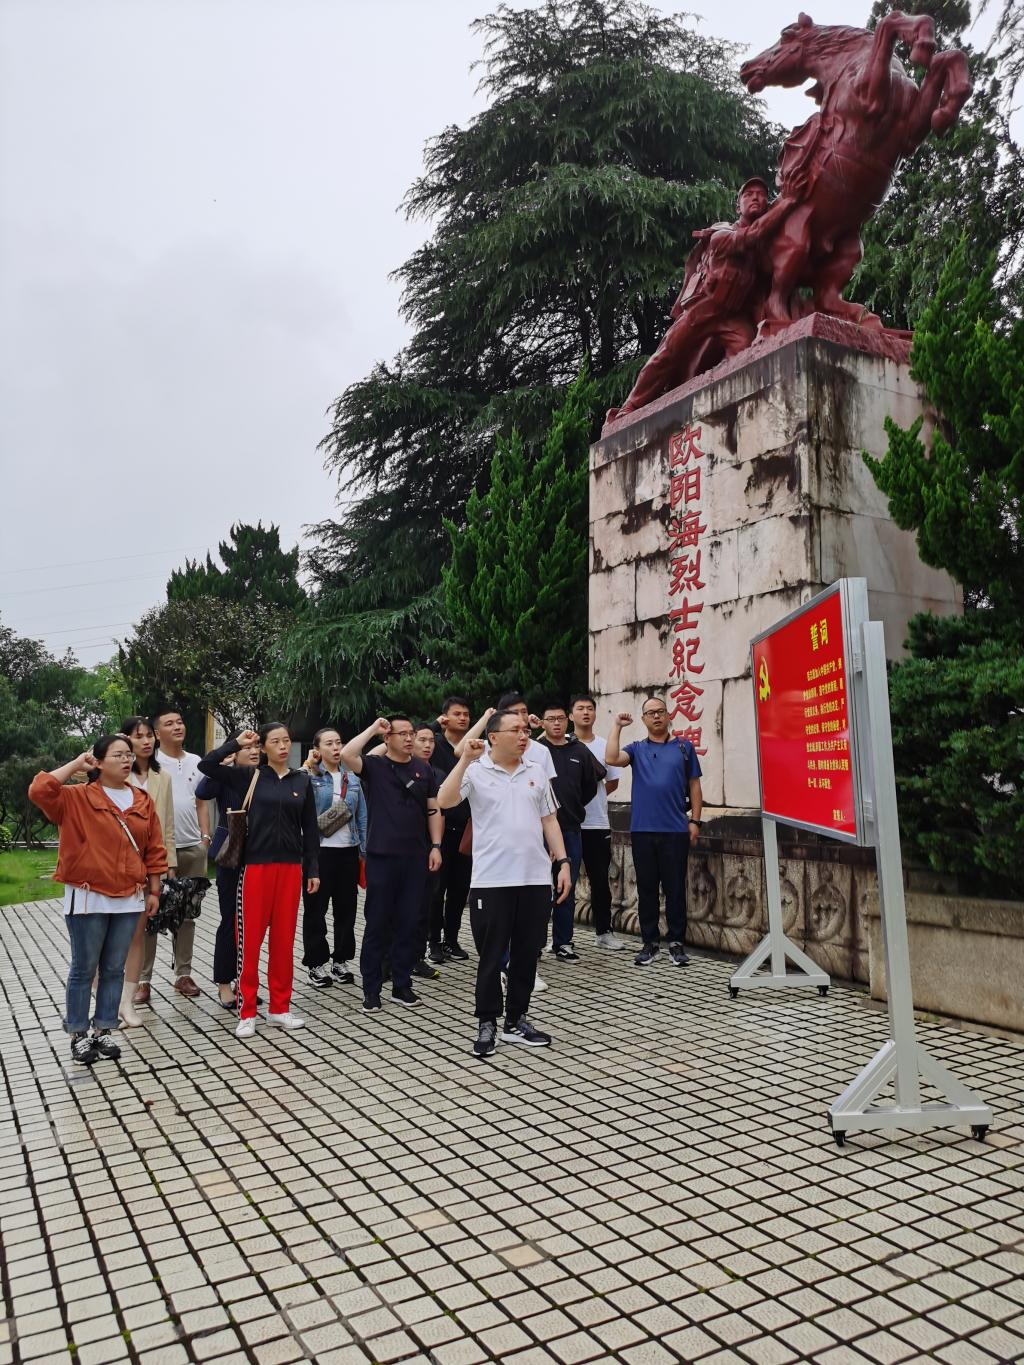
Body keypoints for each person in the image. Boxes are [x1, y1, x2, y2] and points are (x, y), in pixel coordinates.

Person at [439, 711, 571, 1059]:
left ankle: (516, 1020)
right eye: (516, 730)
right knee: (491, 955)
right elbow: (445, 801)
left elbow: (550, 821)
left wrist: (563, 862)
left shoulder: (536, 771)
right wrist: (464, 759)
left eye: (525, 730)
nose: (524, 735)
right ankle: (487, 1022)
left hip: (535, 879)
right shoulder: (476, 771)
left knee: (527, 954)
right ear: (494, 737)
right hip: (492, 881)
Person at [28, 737, 166, 1067]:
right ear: (99, 762)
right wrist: (77, 764)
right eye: (118, 755)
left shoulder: (142, 800)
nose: (127, 760)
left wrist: (155, 891)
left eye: (129, 755)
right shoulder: (76, 797)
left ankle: (104, 1028)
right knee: (84, 967)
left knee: (114, 968)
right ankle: (78, 1034)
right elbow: (39, 790)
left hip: (129, 897)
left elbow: (154, 850)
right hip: (88, 896)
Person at [198, 723, 319, 1037]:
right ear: (263, 747)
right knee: (249, 941)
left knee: (283, 941)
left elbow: (310, 829)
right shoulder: (248, 776)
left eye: (287, 740)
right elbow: (207, 766)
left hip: (290, 868)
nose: (283, 746)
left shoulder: (301, 780)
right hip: (255, 867)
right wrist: (235, 744)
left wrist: (313, 869)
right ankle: (247, 1010)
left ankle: (280, 1008)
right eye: (275, 741)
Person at [341, 716, 442, 1013]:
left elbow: (433, 809)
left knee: (409, 923)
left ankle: (402, 984)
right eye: (402, 734)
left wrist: (436, 846)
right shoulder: (375, 766)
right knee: (378, 924)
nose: (409, 739)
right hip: (382, 856)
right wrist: (374, 728)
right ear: (388, 739)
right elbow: (347, 754)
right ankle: (371, 989)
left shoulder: (424, 769)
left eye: (412, 733)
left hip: (416, 856)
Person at [605, 697, 704, 967]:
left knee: (675, 889)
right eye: (650, 713)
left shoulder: (684, 747)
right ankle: (650, 943)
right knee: (647, 889)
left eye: (660, 711)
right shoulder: (637, 749)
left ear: (669, 715)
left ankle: (676, 942)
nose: (656, 716)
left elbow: (694, 786)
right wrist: (617, 726)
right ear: (644, 719)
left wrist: (695, 821)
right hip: (643, 830)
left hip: (675, 830)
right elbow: (611, 758)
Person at [136, 706, 211, 1004]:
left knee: (187, 913)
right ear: (156, 733)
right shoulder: (150, 762)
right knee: (150, 913)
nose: (178, 726)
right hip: (156, 851)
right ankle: (143, 979)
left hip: (193, 847)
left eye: (180, 721)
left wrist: (205, 837)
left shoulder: (195, 761)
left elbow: (201, 801)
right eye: (169, 723)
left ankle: (183, 974)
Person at [195, 730, 262, 1009]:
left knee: (253, 923)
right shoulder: (225, 775)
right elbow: (202, 791)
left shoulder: (265, 776)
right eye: (248, 747)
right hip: (231, 856)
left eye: (258, 746)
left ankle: (245, 983)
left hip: (259, 855)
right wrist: (227, 753)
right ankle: (224, 983)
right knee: (230, 920)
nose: (254, 751)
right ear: (235, 752)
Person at [118, 716, 177, 1026]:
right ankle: (112, 996)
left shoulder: (161, 776)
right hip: (116, 865)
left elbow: (166, 824)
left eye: (148, 736)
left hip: (149, 864)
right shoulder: (114, 774)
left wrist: (169, 865)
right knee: (115, 935)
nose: (145, 741)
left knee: (141, 932)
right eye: (137, 736)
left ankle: (132, 993)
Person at [536, 701, 606, 961]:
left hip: (570, 829)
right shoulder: (536, 750)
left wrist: (574, 805)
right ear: (543, 722)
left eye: (560, 719)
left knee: (567, 886)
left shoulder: (580, 751)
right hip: (538, 831)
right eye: (550, 719)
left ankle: (563, 942)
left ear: (567, 720)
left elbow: (590, 787)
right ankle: (535, 942)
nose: (556, 723)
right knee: (538, 888)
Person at [301, 726, 367, 989]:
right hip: (318, 853)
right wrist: (309, 765)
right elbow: (296, 798)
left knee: (346, 910)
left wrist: (364, 852)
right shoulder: (309, 777)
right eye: (328, 743)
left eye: (338, 742)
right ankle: (316, 963)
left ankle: (341, 960)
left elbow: (362, 817)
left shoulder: (353, 779)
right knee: (315, 910)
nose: (336, 747)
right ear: (317, 749)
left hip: (348, 852)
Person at [569, 694, 624, 950]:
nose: (585, 713)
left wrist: (591, 798)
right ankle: (560, 937)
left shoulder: (604, 745)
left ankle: (604, 932)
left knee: (600, 880)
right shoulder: (561, 744)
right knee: (562, 880)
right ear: (571, 715)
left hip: (597, 823)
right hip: (566, 825)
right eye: (580, 708)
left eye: (590, 708)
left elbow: (612, 782)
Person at [427, 696, 474, 963]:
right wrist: (435, 724)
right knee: (436, 889)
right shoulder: (435, 745)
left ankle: (452, 940)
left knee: (459, 889)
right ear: (445, 716)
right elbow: (418, 733)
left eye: (466, 714)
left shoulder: (474, 747)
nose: (463, 718)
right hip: (440, 829)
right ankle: (433, 941)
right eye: (457, 714)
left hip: (466, 829)